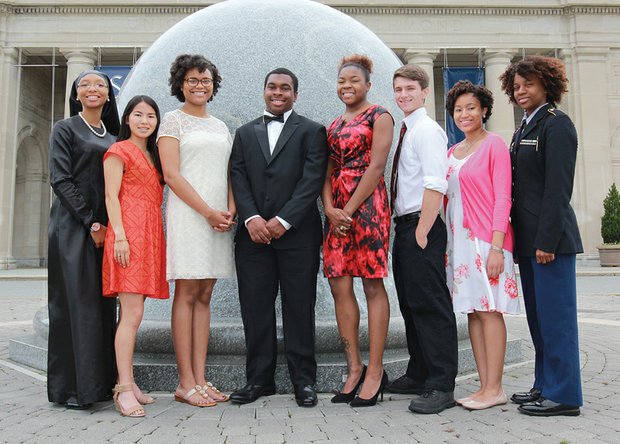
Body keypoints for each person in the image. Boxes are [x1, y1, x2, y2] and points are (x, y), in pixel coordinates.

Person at [230, 68, 328, 407]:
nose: (278, 92)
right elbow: (237, 177)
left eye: (285, 88)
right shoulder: (243, 133)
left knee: (299, 309)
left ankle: (304, 381)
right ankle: (259, 381)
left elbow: (312, 180)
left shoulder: (313, 131)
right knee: (255, 310)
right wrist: (253, 218)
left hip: (297, 236)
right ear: (264, 91)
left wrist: (284, 220)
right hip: (252, 238)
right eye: (272, 86)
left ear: (295, 95)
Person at [500, 55, 583, 417]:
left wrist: (546, 241)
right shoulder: (524, 128)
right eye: (516, 86)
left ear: (546, 85)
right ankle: (544, 384)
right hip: (530, 243)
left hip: (551, 243)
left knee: (556, 320)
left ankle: (564, 395)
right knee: (538, 319)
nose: (521, 92)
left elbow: (557, 189)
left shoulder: (557, 125)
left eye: (528, 85)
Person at [158, 54, 234, 408]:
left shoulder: (220, 126)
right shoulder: (172, 122)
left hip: (219, 217)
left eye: (205, 80)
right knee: (187, 291)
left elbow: (229, 172)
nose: (199, 85)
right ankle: (184, 382)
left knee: (206, 293)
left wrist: (230, 210)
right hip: (190, 216)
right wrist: (206, 212)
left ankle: (201, 380)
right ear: (181, 84)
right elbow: (172, 175)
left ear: (213, 85)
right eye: (192, 80)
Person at [321, 55, 393, 407]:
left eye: (353, 81)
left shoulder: (380, 116)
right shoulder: (332, 124)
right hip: (337, 212)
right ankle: (354, 368)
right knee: (339, 284)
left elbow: (377, 165)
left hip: (368, 208)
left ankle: (376, 371)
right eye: (341, 81)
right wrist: (330, 208)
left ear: (367, 84)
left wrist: (347, 210)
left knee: (371, 284)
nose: (347, 86)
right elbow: (327, 169)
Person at [444, 80, 520, 411]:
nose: (464, 114)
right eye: (459, 109)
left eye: (471, 107)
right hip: (459, 244)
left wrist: (496, 247)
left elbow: (504, 196)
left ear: (484, 110)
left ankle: (495, 387)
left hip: (486, 241)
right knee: (474, 314)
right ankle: (483, 386)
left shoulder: (495, 145)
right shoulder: (452, 152)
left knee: (490, 312)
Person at [388, 64, 458, 414]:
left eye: (410, 89)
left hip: (421, 225)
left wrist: (422, 230)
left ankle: (441, 384)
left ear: (424, 91)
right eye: (398, 89)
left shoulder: (427, 130)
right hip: (405, 225)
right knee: (411, 304)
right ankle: (418, 373)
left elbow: (436, 182)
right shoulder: (407, 129)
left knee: (431, 307)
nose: (403, 95)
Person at [47, 70, 120, 409]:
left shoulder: (112, 135)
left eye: (100, 85)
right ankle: (75, 390)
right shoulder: (64, 129)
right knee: (78, 308)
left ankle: (102, 385)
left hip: (104, 231)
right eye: (85, 85)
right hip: (74, 229)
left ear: (109, 95)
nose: (93, 89)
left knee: (103, 307)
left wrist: (109, 226)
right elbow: (60, 180)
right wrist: (92, 224)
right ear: (76, 94)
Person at [102, 95, 169, 417]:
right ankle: (124, 389)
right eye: (138, 114)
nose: (144, 121)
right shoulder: (119, 151)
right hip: (128, 234)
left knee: (135, 312)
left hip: (150, 234)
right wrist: (121, 237)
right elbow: (110, 196)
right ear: (127, 118)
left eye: (151, 116)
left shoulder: (153, 155)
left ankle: (129, 380)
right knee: (132, 314)